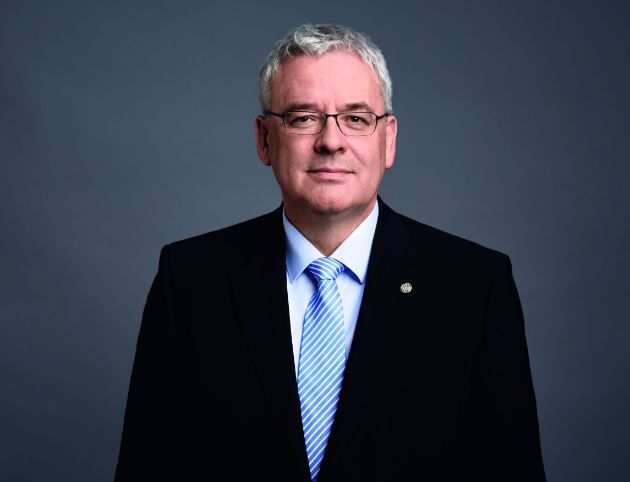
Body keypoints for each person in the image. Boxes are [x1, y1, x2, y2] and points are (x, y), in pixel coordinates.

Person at [115, 24, 546, 482]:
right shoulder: (189, 281)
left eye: (356, 119)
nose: (331, 141)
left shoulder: (475, 287)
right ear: (264, 139)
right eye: (303, 117)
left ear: (388, 140)